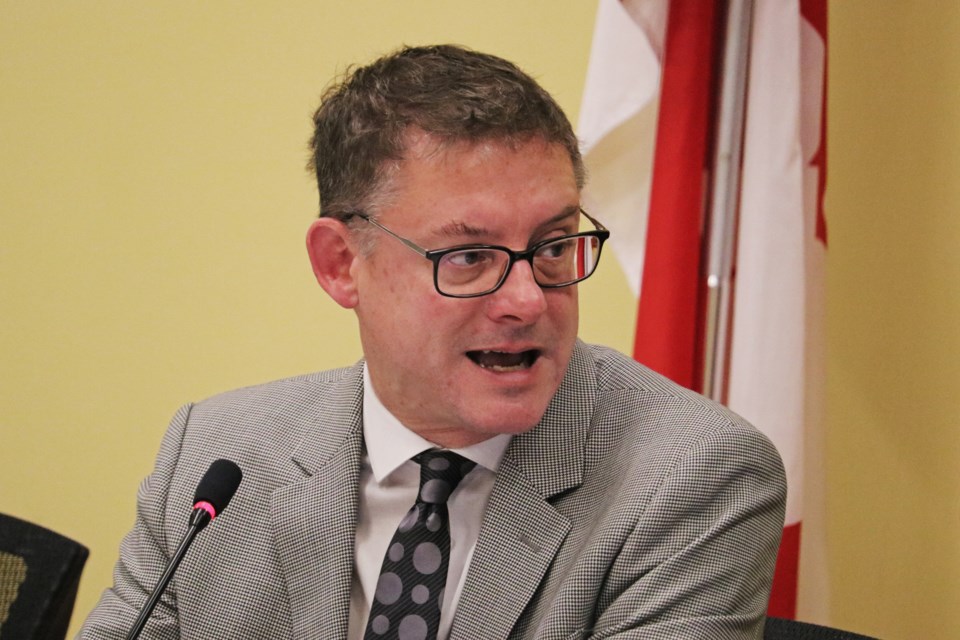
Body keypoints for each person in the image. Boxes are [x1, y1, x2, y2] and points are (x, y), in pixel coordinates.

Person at [79, 45, 786, 640]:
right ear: (341, 264)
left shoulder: (693, 479)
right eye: (469, 256)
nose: (527, 300)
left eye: (553, 246)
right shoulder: (218, 456)